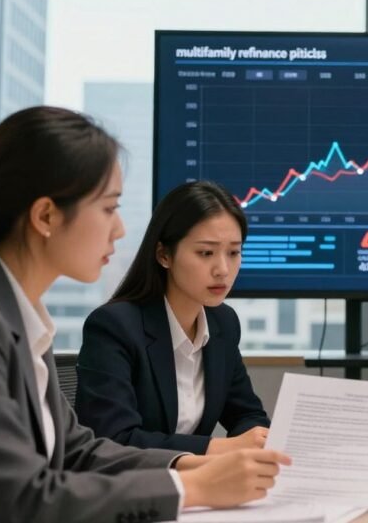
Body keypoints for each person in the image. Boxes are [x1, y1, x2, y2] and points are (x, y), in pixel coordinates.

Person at [0, 107, 289, 523]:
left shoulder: (16, 315)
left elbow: (78, 450)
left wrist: (193, 466)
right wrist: (193, 488)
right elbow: (25, 497)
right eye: (109, 208)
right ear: (46, 216)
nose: (121, 229)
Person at [75, 181, 270, 455]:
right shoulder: (114, 326)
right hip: (135, 489)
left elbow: (248, 416)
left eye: (234, 252)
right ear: (164, 255)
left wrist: (254, 441)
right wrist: (218, 448)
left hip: (202, 489)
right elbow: (113, 439)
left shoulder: (223, 323)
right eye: (206, 253)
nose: (223, 270)